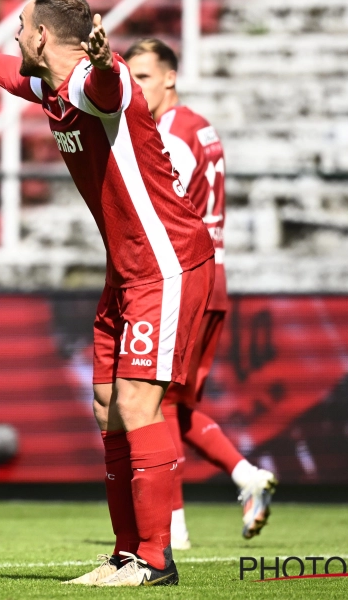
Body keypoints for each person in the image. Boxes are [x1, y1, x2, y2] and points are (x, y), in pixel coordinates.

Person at [0, 0, 215, 587]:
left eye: (20, 26)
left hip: (165, 263)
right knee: (108, 407)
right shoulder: (54, 87)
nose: (15, 35)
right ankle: (124, 554)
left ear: (42, 37)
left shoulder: (93, 84)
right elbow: (15, 78)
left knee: (139, 404)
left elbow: (109, 89)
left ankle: (157, 559)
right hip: (127, 268)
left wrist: (109, 60)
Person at [125, 38, 276, 547]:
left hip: (187, 275)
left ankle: (172, 525)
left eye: (143, 76)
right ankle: (246, 476)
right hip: (214, 275)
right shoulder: (200, 126)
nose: (135, 86)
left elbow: (159, 206)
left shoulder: (172, 136)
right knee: (177, 403)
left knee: (155, 398)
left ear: (170, 77)